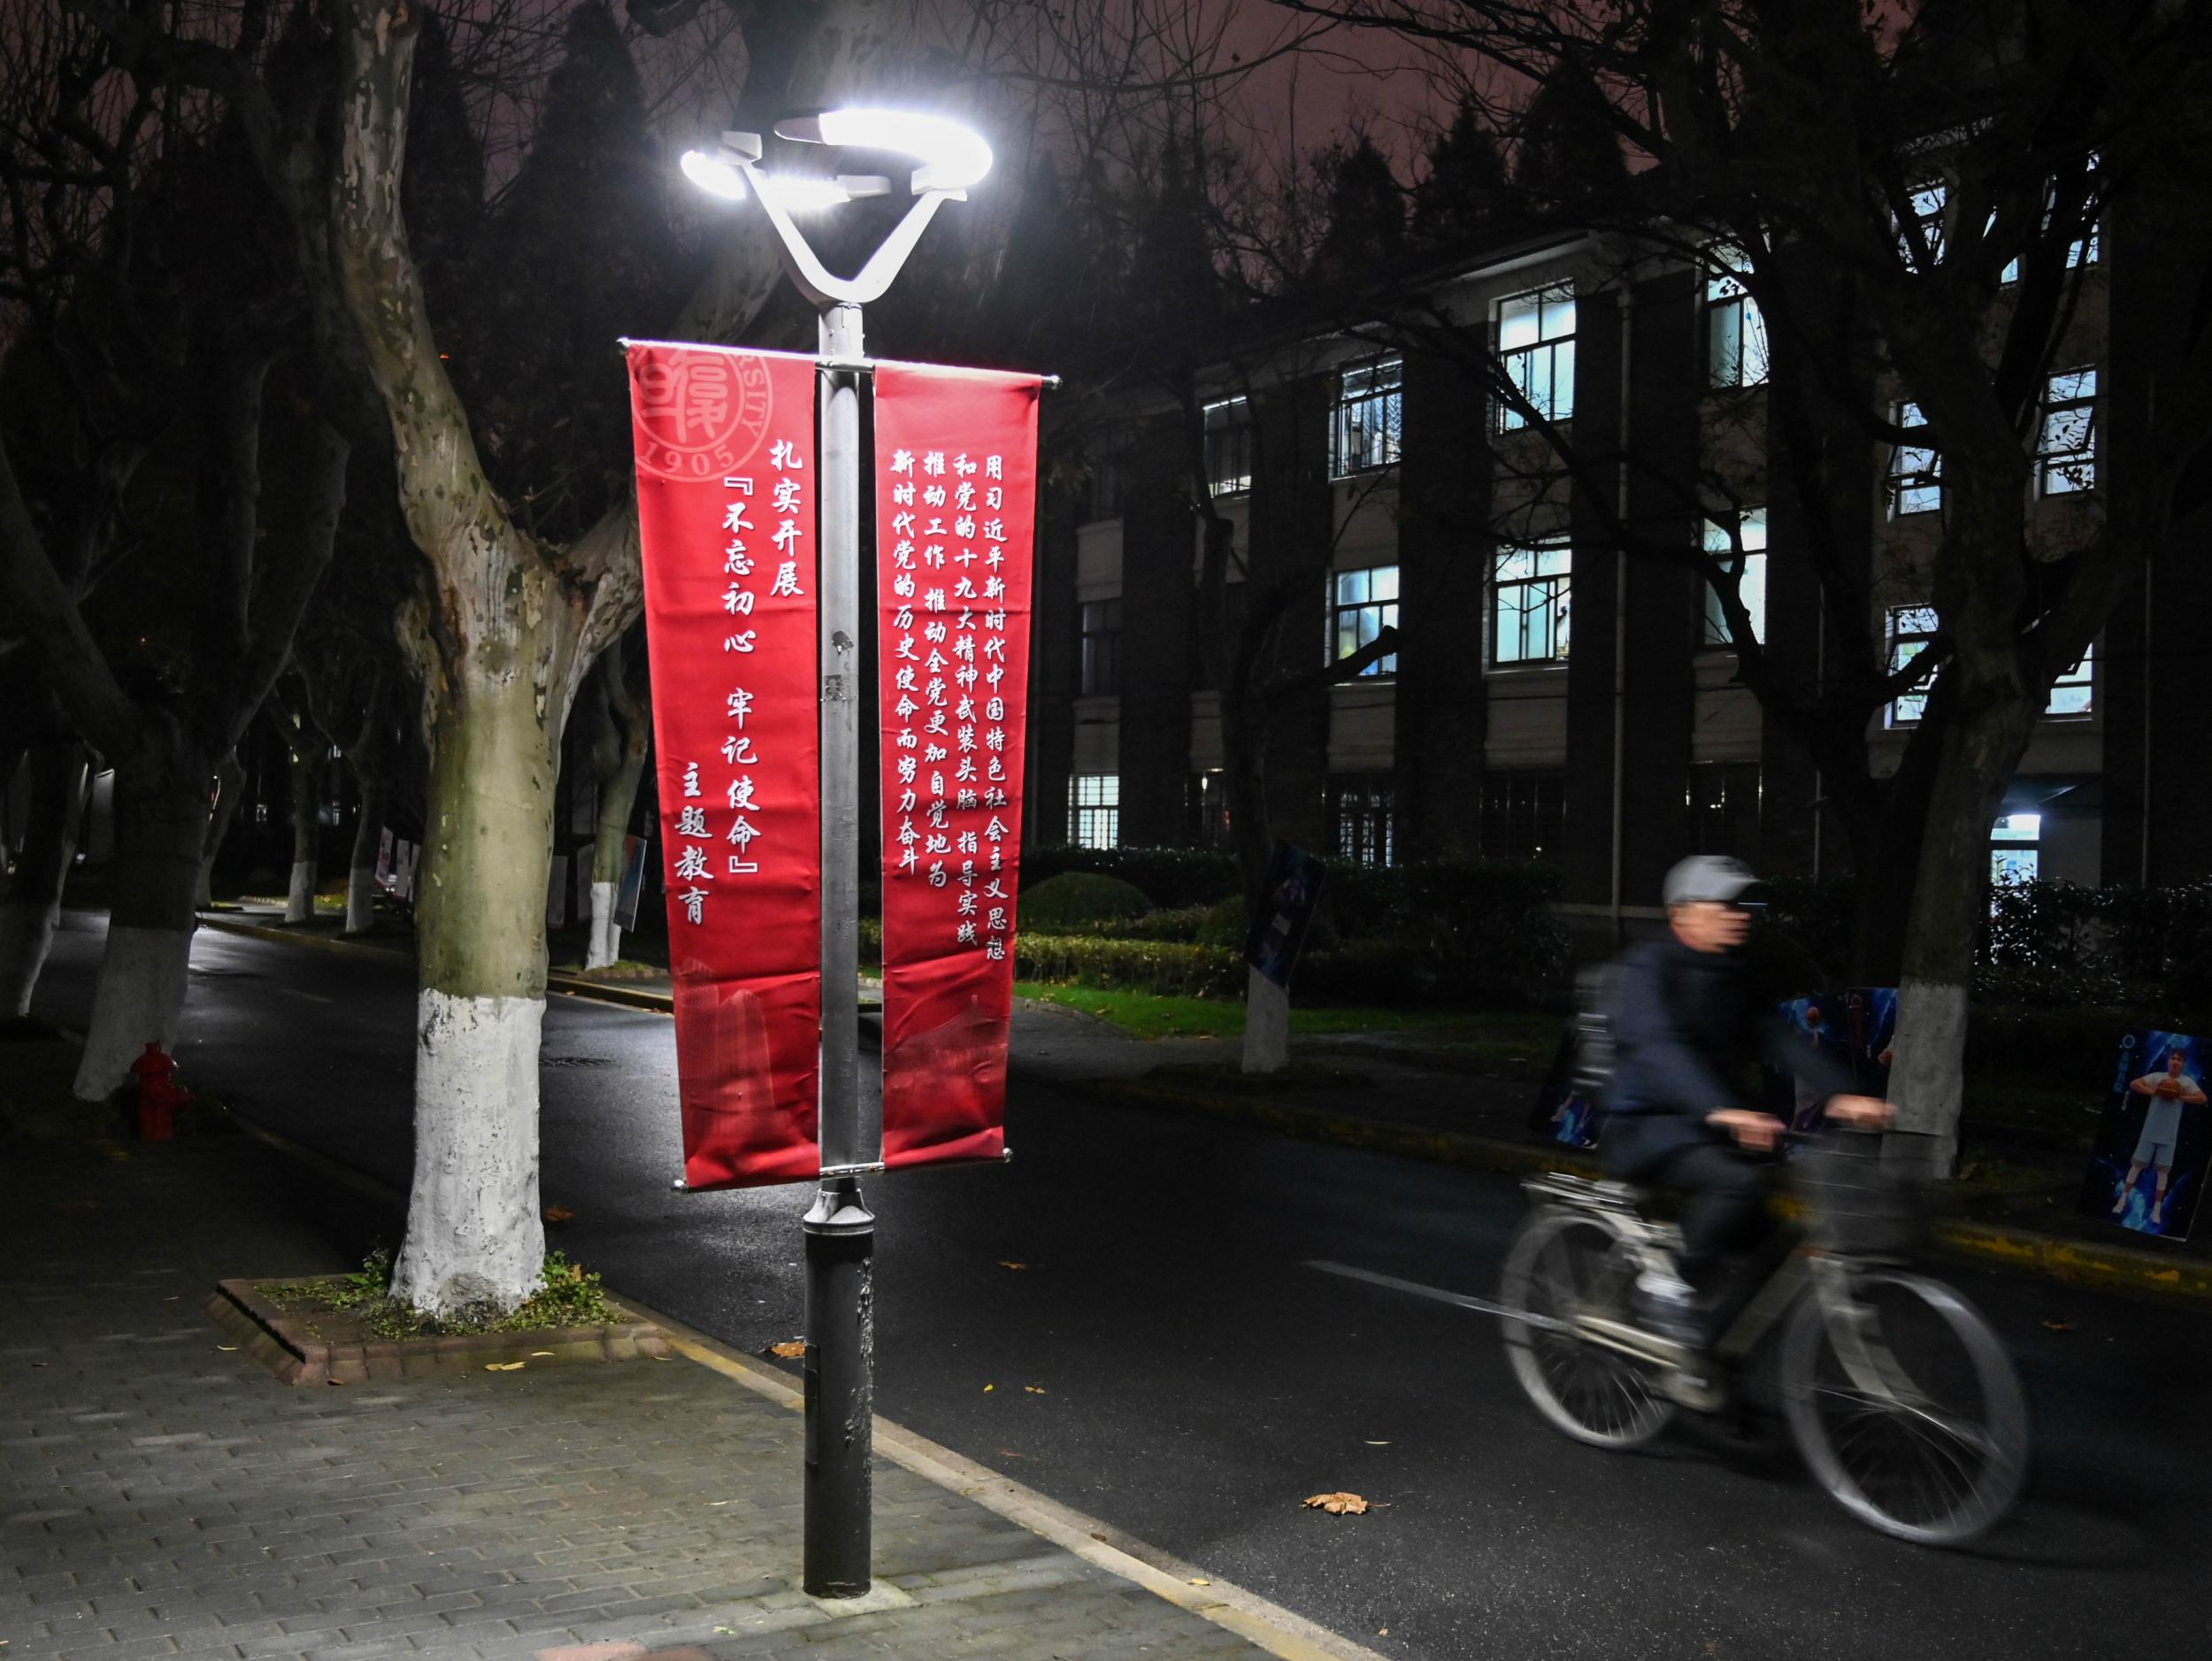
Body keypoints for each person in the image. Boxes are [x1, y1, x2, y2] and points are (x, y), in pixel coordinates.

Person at [1601, 856, 1893, 1380]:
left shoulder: (1733, 973)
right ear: (1683, 914)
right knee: (1736, 1181)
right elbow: (1655, 1045)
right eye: (1726, 904)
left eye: (1744, 904)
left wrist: (1842, 1094)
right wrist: (1721, 1108)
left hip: (1708, 1129)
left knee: (1776, 1247)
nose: (1740, 915)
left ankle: (1705, 1364)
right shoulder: (1648, 968)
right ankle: (1663, 1288)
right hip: (1648, 1126)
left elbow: (1778, 1037)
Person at [2115, 1045, 2205, 1229]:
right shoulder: (2157, 1077)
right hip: (2150, 1131)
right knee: (2136, 1167)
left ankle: (2156, 1209)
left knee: (2163, 1173)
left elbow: (2203, 1099)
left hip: (2169, 1135)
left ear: (2183, 1063)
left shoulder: (2186, 1083)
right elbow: (2134, 1083)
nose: (2175, 1061)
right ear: (2168, 1060)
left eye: (2179, 1059)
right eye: (2173, 1058)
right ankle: (2122, 1200)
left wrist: (2181, 1096)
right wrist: (2152, 1091)